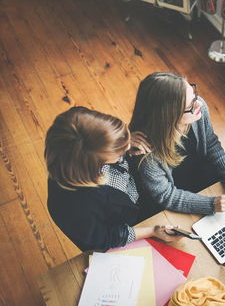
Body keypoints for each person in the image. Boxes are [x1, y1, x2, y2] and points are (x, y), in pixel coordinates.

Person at [45, 106, 182, 251]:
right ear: (92, 164)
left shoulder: (86, 146)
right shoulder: (71, 206)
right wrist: (152, 231)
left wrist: (122, 140)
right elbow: (103, 239)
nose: (127, 147)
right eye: (116, 152)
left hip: (139, 198)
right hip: (129, 227)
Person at [129, 72, 225, 216]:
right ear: (169, 116)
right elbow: (166, 195)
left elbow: (211, 143)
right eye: (191, 104)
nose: (200, 103)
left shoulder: (198, 110)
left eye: (194, 95)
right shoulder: (145, 154)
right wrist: (210, 204)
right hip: (171, 201)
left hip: (199, 178)